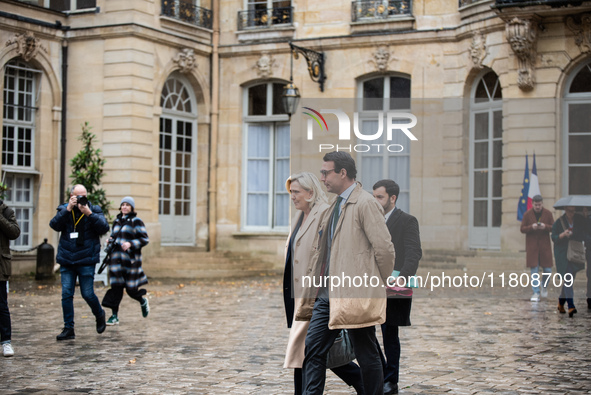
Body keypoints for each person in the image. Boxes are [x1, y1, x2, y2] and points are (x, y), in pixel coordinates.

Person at [296, 151, 395, 395]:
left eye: (325, 172)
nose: (322, 178)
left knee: (366, 352)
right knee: (313, 349)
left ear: (342, 173)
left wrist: (373, 283)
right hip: (326, 296)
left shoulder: (366, 203)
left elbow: (385, 249)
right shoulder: (334, 205)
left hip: (354, 294)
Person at [283, 172, 365, 395]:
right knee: (308, 349)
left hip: (316, 294)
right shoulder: (299, 217)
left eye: (296, 192)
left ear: (310, 193)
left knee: (311, 349)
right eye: (291, 192)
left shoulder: (324, 214)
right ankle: (362, 382)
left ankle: (362, 381)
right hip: (298, 294)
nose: (292, 196)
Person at [372, 180, 421, 395]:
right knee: (363, 332)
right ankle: (379, 371)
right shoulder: (370, 219)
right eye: (373, 196)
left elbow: (413, 252)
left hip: (394, 286)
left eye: (379, 197)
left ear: (393, 198)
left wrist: (403, 277)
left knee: (390, 334)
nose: (375, 201)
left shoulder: (407, 221)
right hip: (369, 284)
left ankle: (390, 381)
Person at [50, 184, 110, 340]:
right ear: (71, 196)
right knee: (66, 294)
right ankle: (68, 328)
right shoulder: (64, 209)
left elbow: (104, 228)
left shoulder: (94, 210)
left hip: (86, 259)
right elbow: (54, 225)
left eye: (84, 196)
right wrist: (68, 209)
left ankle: (99, 314)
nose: (81, 199)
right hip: (67, 259)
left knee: (87, 293)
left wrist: (89, 213)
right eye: (78, 196)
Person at [101, 196, 150, 325]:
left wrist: (130, 243)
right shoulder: (117, 221)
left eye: (127, 205)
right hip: (116, 260)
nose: (124, 207)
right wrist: (110, 241)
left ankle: (142, 301)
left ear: (132, 207)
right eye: (123, 205)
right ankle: (114, 316)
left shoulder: (136, 221)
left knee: (131, 289)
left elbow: (145, 239)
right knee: (116, 289)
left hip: (130, 261)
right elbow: (114, 237)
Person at [551, 206, 588, 317]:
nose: (571, 213)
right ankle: (571, 306)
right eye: (569, 211)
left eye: (573, 211)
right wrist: (563, 235)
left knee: (570, 279)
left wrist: (585, 216)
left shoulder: (579, 220)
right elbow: (554, 237)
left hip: (574, 253)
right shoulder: (559, 222)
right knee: (568, 278)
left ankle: (561, 302)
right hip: (563, 254)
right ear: (565, 211)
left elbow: (584, 231)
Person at [520, 195, 554, 302]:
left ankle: (543, 285)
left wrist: (545, 227)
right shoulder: (527, 214)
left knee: (548, 270)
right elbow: (522, 229)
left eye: (539, 205)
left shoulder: (548, 214)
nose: (538, 207)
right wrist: (531, 227)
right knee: (534, 271)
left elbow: (553, 227)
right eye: (536, 205)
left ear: (542, 204)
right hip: (532, 247)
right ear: (533, 204)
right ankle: (536, 292)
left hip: (545, 247)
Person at [0, 200, 20, 357]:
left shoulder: (6, 211)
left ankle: (6, 341)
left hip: (0, 265)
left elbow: (14, 232)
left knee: (2, 305)